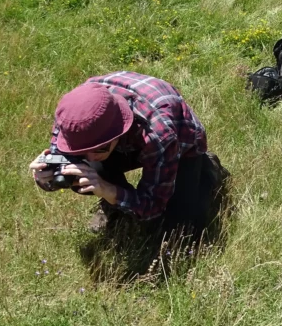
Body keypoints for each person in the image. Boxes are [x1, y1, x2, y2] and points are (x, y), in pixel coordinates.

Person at [29, 72, 226, 235]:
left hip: (182, 145)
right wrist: (45, 178)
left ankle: (208, 167)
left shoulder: (158, 133)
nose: (89, 158)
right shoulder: (74, 118)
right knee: (84, 170)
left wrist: (108, 189)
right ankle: (115, 205)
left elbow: (153, 205)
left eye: (99, 149)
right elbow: (61, 163)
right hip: (122, 141)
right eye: (81, 151)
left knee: (181, 228)